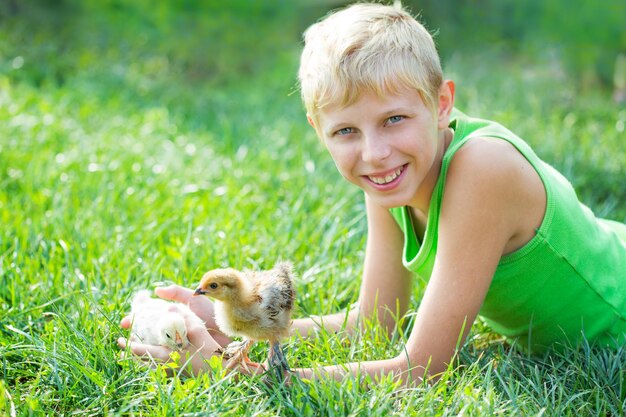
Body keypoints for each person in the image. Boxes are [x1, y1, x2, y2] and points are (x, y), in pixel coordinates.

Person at [118, 2, 626, 384]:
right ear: (319, 131)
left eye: (395, 119)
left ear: (443, 103)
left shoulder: (481, 168)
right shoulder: (391, 176)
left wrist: (240, 374)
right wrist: (238, 324)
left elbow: (422, 369)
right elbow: (377, 323)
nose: (374, 151)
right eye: (346, 132)